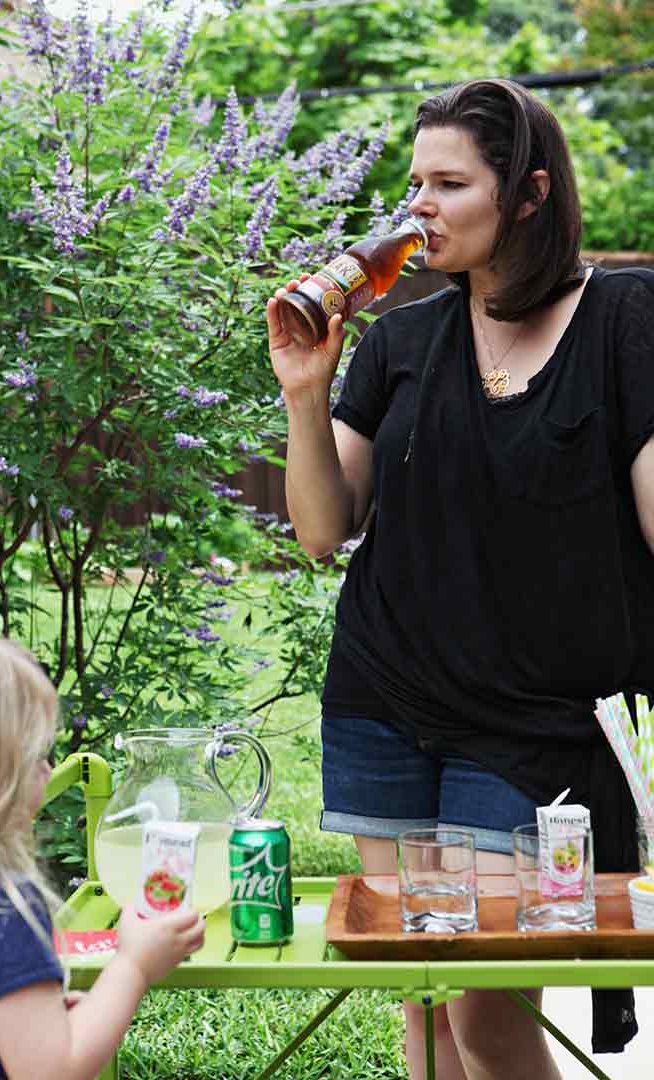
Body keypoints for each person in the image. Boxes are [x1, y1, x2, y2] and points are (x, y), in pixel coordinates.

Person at [267, 77, 653, 1079]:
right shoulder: (396, 341)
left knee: (484, 1003)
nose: (418, 209)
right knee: (428, 1004)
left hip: (534, 723)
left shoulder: (621, 319)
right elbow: (321, 530)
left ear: (526, 195)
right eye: (412, 185)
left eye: (448, 184)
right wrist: (306, 395)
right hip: (383, 700)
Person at [0, 617, 206, 1080]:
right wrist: (133, 966)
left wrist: (47, 1021)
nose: (47, 769)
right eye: (35, 753)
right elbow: (54, 1071)